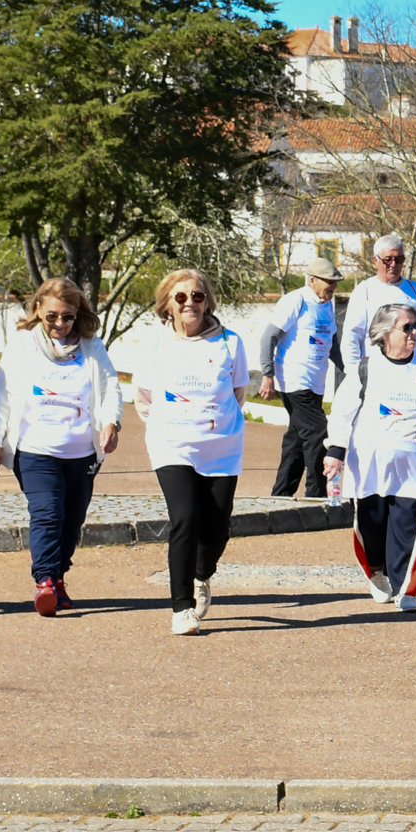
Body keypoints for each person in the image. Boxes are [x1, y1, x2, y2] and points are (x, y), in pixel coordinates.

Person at [0, 278, 121, 617]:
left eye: (68, 317)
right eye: (52, 316)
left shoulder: (91, 346)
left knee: (71, 521)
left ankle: (58, 578)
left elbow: (110, 388)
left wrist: (111, 423)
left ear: (78, 315)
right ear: (38, 311)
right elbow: (2, 395)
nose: (60, 324)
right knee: (47, 514)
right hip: (34, 449)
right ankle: (44, 581)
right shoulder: (22, 345)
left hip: (82, 452)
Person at [324, 301, 416, 610]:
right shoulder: (365, 367)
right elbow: (343, 412)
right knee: (373, 525)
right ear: (385, 333)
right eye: (407, 327)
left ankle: (407, 589)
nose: (414, 334)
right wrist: (335, 452)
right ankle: (377, 573)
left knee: (409, 526)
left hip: (415, 466)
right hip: (370, 464)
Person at [137, 269, 248, 636]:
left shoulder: (230, 342)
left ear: (208, 302)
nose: (190, 303)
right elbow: (144, 400)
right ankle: (181, 608)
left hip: (221, 447)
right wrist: (173, 426)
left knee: (217, 527)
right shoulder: (154, 344)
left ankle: (203, 574)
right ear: (168, 304)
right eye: (181, 297)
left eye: (197, 297)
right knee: (185, 518)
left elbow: (238, 395)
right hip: (173, 445)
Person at [258, 257, 340, 498]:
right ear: (312, 280)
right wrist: (267, 374)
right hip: (294, 380)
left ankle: (280, 495)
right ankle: (316, 496)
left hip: (316, 383)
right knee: (317, 432)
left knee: (296, 440)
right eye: (328, 282)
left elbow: (332, 344)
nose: (333, 288)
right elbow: (268, 338)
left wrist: (353, 371)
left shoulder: (327, 305)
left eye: (335, 283)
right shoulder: (296, 300)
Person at [339, 234, 416, 385]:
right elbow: (351, 336)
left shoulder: (415, 290)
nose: (393, 264)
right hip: (375, 375)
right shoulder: (364, 291)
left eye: (398, 259)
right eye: (388, 259)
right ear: (375, 260)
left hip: (412, 373)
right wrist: (354, 374)